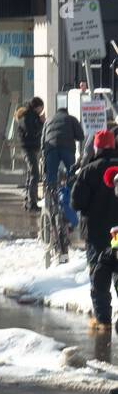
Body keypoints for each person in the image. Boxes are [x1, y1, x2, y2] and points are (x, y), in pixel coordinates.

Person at [71, 129, 118, 332]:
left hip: (96, 233)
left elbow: (76, 203)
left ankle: (103, 321)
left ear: (96, 147)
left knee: (99, 276)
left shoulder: (88, 171)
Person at [42, 103, 85, 194]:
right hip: (67, 148)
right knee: (71, 172)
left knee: (51, 174)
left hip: (51, 148)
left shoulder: (48, 120)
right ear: (66, 112)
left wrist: (44, 153)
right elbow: (81, 136)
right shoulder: (72, 119)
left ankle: (52, 197)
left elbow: (43, 139)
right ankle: (70, 195)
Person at [16, 96, 45, 211]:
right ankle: (32, 202)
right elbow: (32, 132)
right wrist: (41, 123)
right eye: (41, 108)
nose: (41, 110)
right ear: (36, 107)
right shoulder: (28, 116)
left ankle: (28, 199)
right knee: (35, 174)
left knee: (30, 174)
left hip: (30, 148)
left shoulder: (31, 115)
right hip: (29, 148)